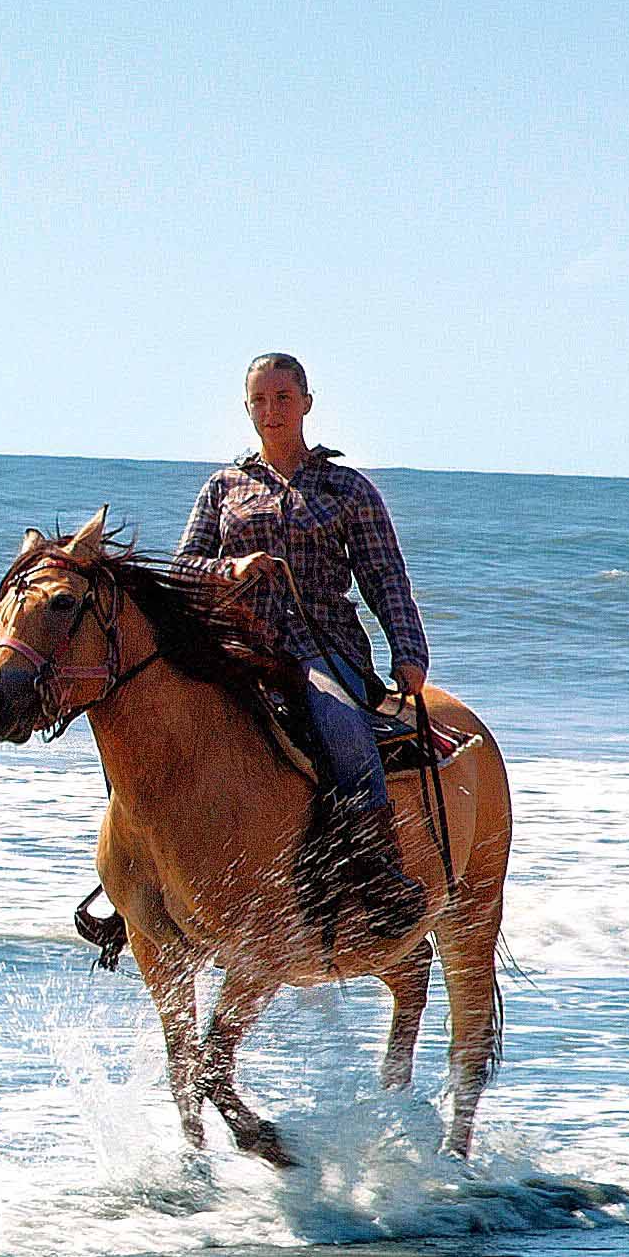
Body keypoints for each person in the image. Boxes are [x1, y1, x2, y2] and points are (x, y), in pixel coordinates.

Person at [177, 354, 431, 937]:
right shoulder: (223, 487)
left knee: (340, 723)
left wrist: (409, 653)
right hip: (236, 645)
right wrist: (231, 568)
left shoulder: (347, 489)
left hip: (321, 645)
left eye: (282, 398)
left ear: (307, 403)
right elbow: (185, 566)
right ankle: (134, 875)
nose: (271, 411)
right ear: (247, 409)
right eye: (259, 401)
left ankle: (376, 864)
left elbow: (385, 575)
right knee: (154, 713)